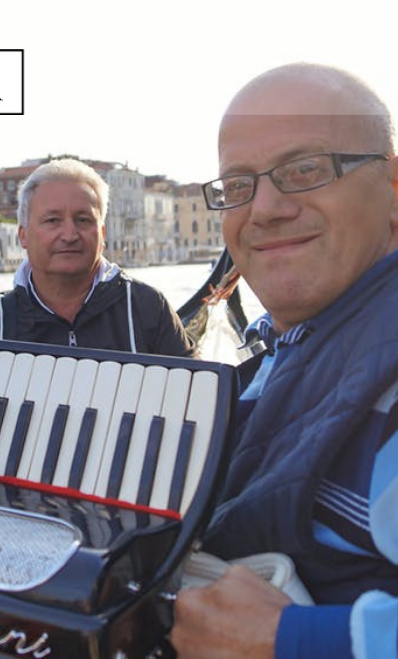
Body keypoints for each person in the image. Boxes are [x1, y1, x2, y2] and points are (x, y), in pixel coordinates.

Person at [171, 63, 398, 659]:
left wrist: (291, 640)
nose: (265, 209)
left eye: (305, 170)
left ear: (394, 187)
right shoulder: (285, 346)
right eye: (238, 186)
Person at [0, 158, 196, 357]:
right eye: (52, 220)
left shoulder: (148, 309)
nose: (69, 234)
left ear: (103, 233)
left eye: (83, 220)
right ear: (23, 235)